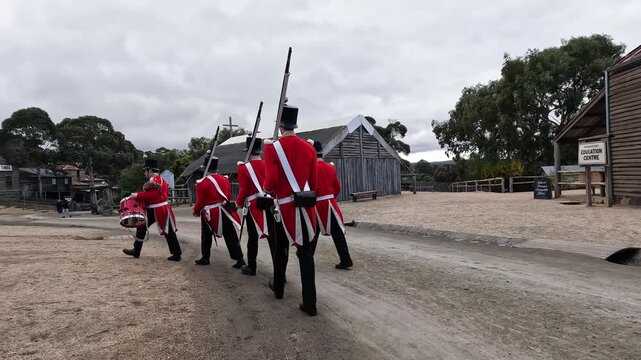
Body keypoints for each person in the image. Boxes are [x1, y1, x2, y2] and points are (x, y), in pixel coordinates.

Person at [263, 104, 319, 316]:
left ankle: (278, 288)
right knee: (305, 254)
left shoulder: (272, 148)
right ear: (295, 125)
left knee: (280, 248)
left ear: (280, 127)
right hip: (304, 205)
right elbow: (313, 184)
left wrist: (268, 190)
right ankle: (310, 303)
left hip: (284, 206)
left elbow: (271, 181)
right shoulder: (309, 148)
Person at [122, 158, 182, 261]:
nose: (145, 173)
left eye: (145, 171)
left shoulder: (155, 180)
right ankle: (137, 250)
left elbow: (153, 195)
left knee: (167, 231)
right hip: (159, 208)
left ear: (149, 170)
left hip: (157, 209)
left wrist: (137, 195)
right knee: (142, 227)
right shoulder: (161, 179)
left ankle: (176, 254)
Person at [193, 154, 245, 268]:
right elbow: (228, 195)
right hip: (224, 209)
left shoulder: (202, 182)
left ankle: (205, 257)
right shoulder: (224, 179)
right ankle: (239, 258)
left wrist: (196, 211)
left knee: (206, 236)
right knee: (230, 235)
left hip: (210, 212)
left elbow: (200, 201)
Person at [312, 140, 353, 269]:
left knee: (312, 233)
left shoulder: (311, 168)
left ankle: (306, 256)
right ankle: (346, 259)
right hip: (330, 203)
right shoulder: (330, 167)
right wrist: (331, 198)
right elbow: (337, 187)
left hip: (316, 204)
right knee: (338, 234)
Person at [235, 137, 272, 276]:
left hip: (253, 206)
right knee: (273, 238)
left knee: (252, 237)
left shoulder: (244, 168)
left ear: (249, 152)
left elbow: (244, 190)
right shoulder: (266, 164)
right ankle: (280, 271)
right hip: (269, 203)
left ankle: (252, 266)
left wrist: (238, 203)